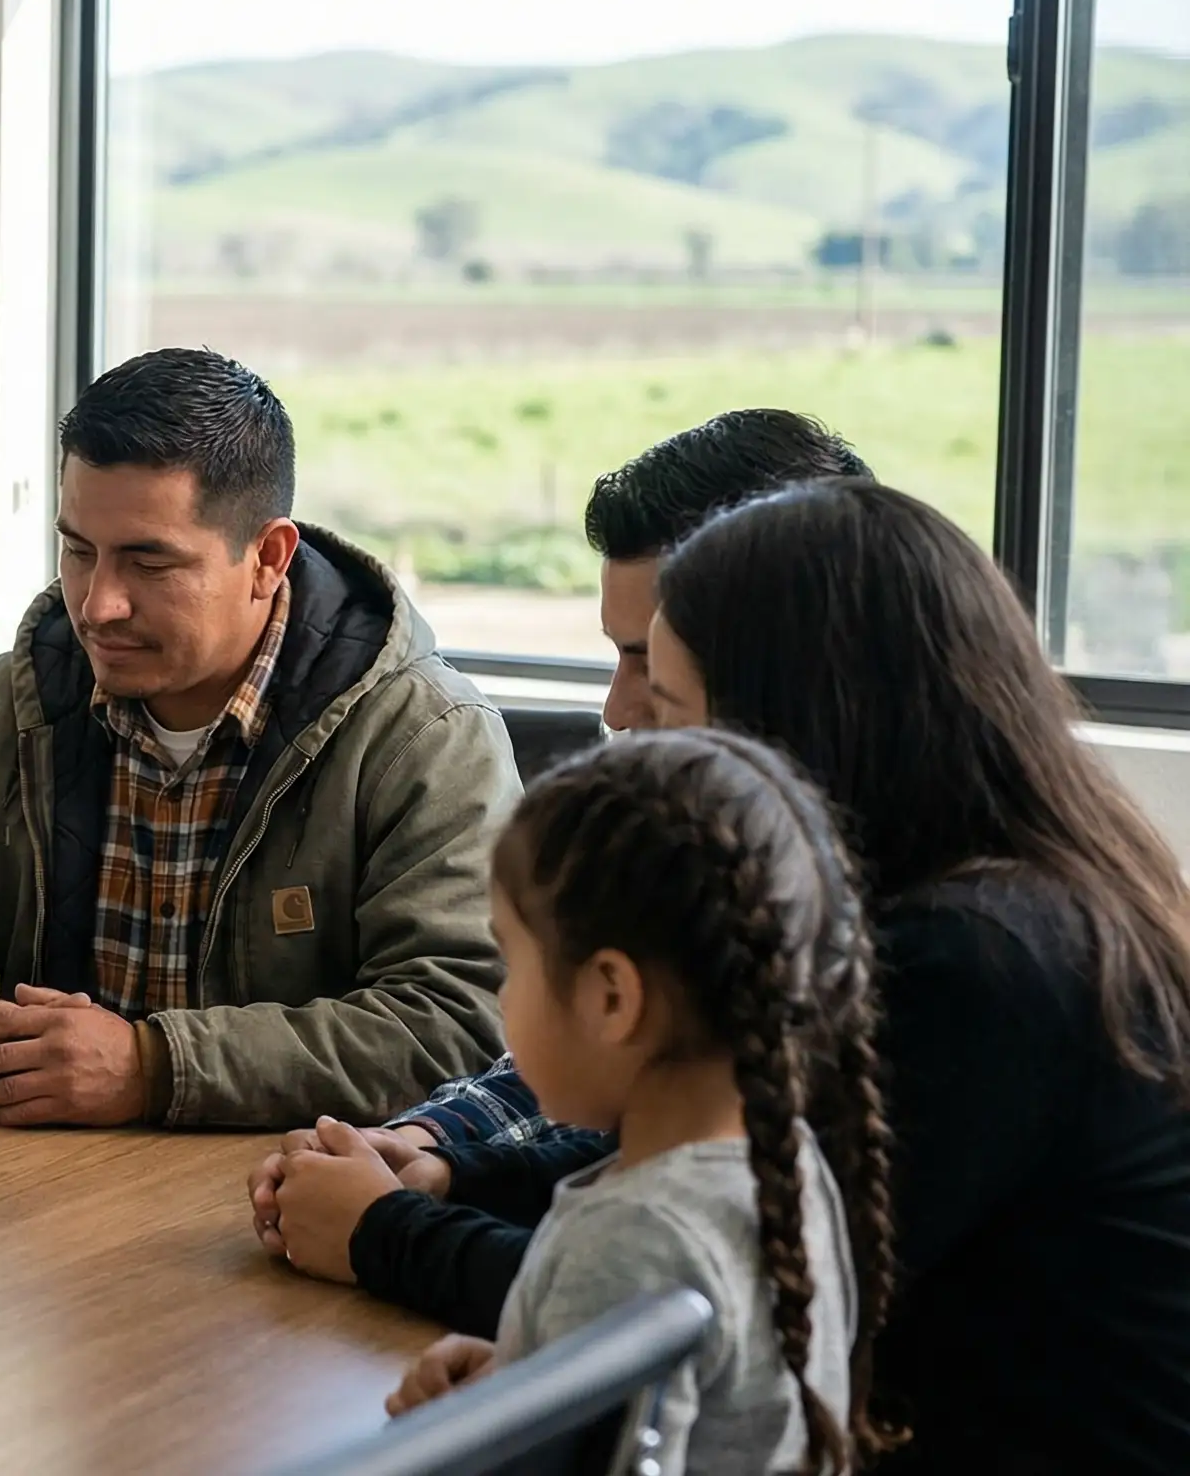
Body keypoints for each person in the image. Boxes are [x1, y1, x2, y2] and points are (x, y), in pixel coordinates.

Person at [261, 481, 1190, 1471]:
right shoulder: (1010, 903)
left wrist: (385, 1232)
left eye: (664, 699)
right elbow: (702, 1163)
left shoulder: (973, 967)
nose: (623, 720)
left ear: (793, 727)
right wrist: (457, 1173)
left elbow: (703, 1283)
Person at [0, 347, 515, 1131]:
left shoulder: (424, 736)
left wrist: (153, 1069)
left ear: (268, 558)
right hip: (35, 1202)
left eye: (149, 562)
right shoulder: (11, 705)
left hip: (280, 1213)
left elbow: (459, 1024)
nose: (98, 604)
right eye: (79, 550)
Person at [350, 409, 876, 1153]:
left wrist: (396, 1229)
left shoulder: (934, 943)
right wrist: (437, 1142)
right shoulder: (725, 838)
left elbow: (687, 1230)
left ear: (787, 665)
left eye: (651, 666)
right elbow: (602, 1065)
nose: (618, 711)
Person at [369, 729, 891, 1475]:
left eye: (512, 961)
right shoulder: (782, 1162)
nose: (503, 994)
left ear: (611, 998)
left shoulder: (633, 1238)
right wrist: (525, 1378)